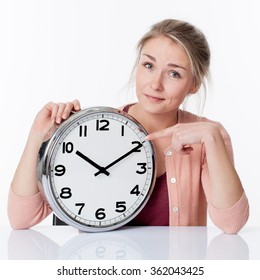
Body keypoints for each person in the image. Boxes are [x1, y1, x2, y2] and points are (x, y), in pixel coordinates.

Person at [8, 19, 249, 234]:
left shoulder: (208, 137)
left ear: (194, 84)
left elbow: (231, 224)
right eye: (148, 65)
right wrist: (37, 136)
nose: (155, 84)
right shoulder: (90, 128)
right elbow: (22, 219)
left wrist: (214, 140)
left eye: (174, 74)